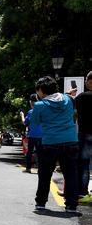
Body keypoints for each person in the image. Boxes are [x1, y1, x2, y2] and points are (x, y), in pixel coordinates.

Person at [32, 76, 79, 213]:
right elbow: (73, 111)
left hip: (50, 143)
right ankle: (71, 205)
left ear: (41, 90)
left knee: (45, 174)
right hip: (70, 141)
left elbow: (35, 122)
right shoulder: (69, 99)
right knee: (70, 174)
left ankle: (41, 203)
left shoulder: (40, 105)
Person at [75, 71, 92, 204]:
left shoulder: (81, 97)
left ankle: (83, 193)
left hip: (85, 133)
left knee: (84, 164)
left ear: (89, 81)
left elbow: (73, 114)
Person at [20, 94, 43, 173]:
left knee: (29, 152)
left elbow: (24, 123)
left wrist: (22, 115)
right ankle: (40, 168)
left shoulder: (30, 112)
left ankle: (28, 168)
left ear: (31, 103)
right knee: (40, 153)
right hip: (42, 136)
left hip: (33, 135)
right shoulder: (42, 111)